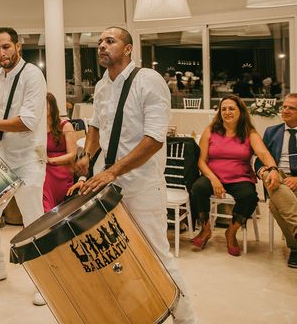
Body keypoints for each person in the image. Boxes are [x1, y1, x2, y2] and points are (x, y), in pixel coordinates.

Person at [68, 27, 197, 323]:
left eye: (110, 41)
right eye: (100, 42)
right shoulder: (102, 86)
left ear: (128, 49)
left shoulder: (148, 81)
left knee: (156, 255)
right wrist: (86, 156)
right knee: (113, 255)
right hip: (106, 181)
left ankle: (187, 318)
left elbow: (154, 139)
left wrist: (112, 171)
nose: (102, 46)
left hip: (141, 184)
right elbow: (96, 128)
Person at [0, 27, 47, 306]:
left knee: (33, 220)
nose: (1, 53)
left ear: (18, 46)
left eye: (6, 47)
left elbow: (27, 120)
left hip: (29, 158)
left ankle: (45, 278)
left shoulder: (33, 75)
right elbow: (5, 111)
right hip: (4, 153)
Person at [190, 95, 275, 256]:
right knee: (197, 188)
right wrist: (213, 178)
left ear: (240, 111)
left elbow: (263, 153)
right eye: (224, 109)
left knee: (249, 197)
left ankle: (231, 232)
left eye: (231, 108)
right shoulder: (210, 131)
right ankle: (205, 229)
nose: (227, 112)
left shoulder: (249, 133)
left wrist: (273, 168)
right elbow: (201, 161)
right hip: (213, 175)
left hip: (240, 178)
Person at [254, 93, 297, 268]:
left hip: (293, 181)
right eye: (284, 106)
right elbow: (258, 160)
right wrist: (263, 170)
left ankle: (295, 249)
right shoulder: (272, 132)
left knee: (274, 205)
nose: (285, 110)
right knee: (268, 173)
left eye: (291, 108)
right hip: (276, 177)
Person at [43, 92, 76, 212]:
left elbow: (72, 155)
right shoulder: (38, 127)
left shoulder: (65, 126)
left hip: (61, 168)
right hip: (44, 169)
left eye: (45, 105)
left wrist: (51, 160)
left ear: (52, 106)